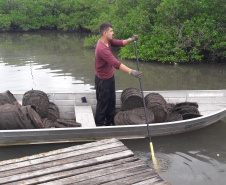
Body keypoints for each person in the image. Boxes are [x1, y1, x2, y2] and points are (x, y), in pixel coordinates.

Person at [95, 22, 142, 126]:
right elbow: (116, 63)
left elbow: (120, 43)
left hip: (110, 77)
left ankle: (110, 122)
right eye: (111, 31)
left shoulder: (109, 41)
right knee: (103, 104)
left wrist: (131, 39)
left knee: (111, 101)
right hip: (103, 80)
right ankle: (99, 125)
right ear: (105, 33)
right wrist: (132, 71)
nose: (113, 33)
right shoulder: (102, 49)